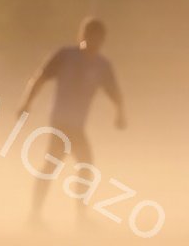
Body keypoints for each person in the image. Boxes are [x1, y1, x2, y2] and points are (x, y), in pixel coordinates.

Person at [16, 16, 125, 224]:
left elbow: (114, 91)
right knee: (69, 165)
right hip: (61, 121)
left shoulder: (102, 65)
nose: (93, 43)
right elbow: (41, 77)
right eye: (90, 37)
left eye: (98, 39)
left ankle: (62, 215)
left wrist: (120, 112)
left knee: (75, 166)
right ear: (82, 36)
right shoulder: (65, 56)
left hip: (77, 124)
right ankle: (42, 215)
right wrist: (26, 103)